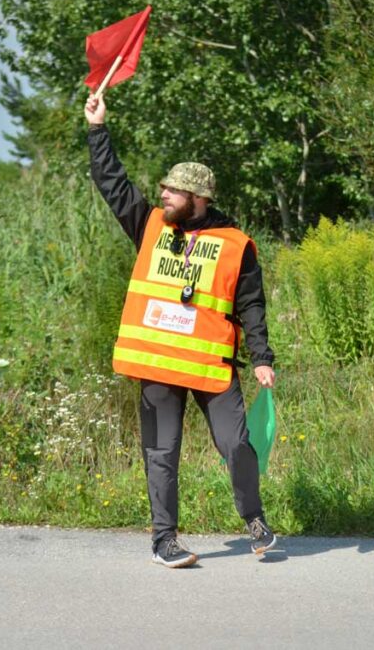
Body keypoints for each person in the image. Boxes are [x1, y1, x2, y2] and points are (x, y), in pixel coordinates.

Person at [85, 93, 277, 568]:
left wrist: (262, 358)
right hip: (158, 364)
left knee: (236, 443)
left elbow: (251, 304)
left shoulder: (236, 245)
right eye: (164, 188)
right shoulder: (150, 225)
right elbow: (111, 182)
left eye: (173, 191)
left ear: (198, 199)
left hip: (212, 366)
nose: (163, 194)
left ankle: (254, 518)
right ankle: (164, 541)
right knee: (161, 453)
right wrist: (97, 129)